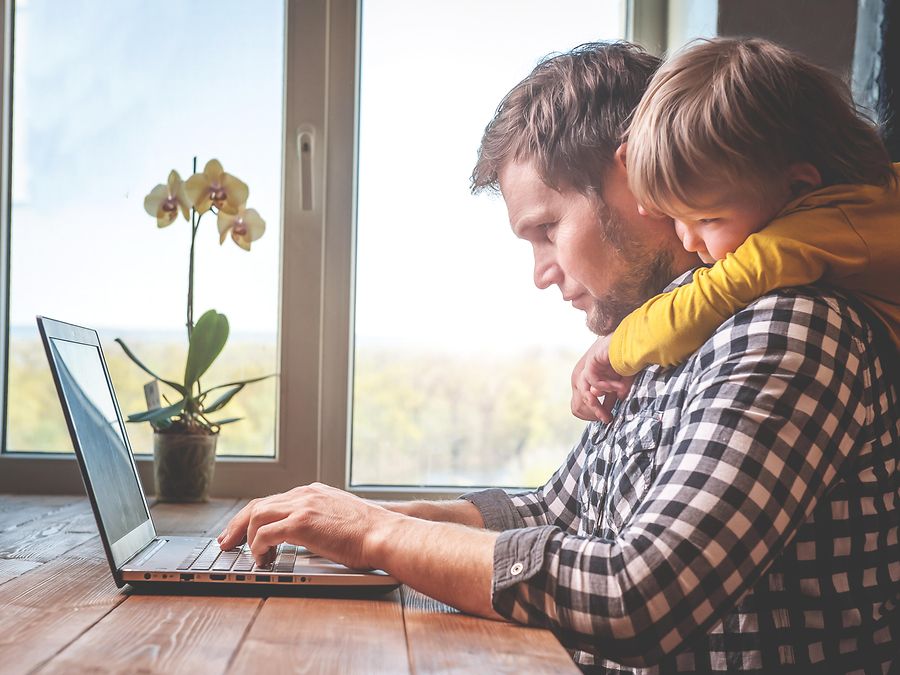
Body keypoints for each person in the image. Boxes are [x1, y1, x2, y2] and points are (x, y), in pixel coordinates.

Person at [217, 41, 899, 673]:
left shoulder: (787, 325)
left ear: (634, 176)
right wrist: (349, 521)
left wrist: (376, 536)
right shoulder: (671, 332)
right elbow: (551, 508)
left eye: (547, 229)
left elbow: (636, 593)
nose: (542, 271)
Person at [570, 38, 900, 423]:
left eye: (707, 220)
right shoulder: (866, 203)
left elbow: (708, 300)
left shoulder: (806, 237)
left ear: (798, 188)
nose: (689, 240)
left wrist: (612, 349)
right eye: (676, 218)